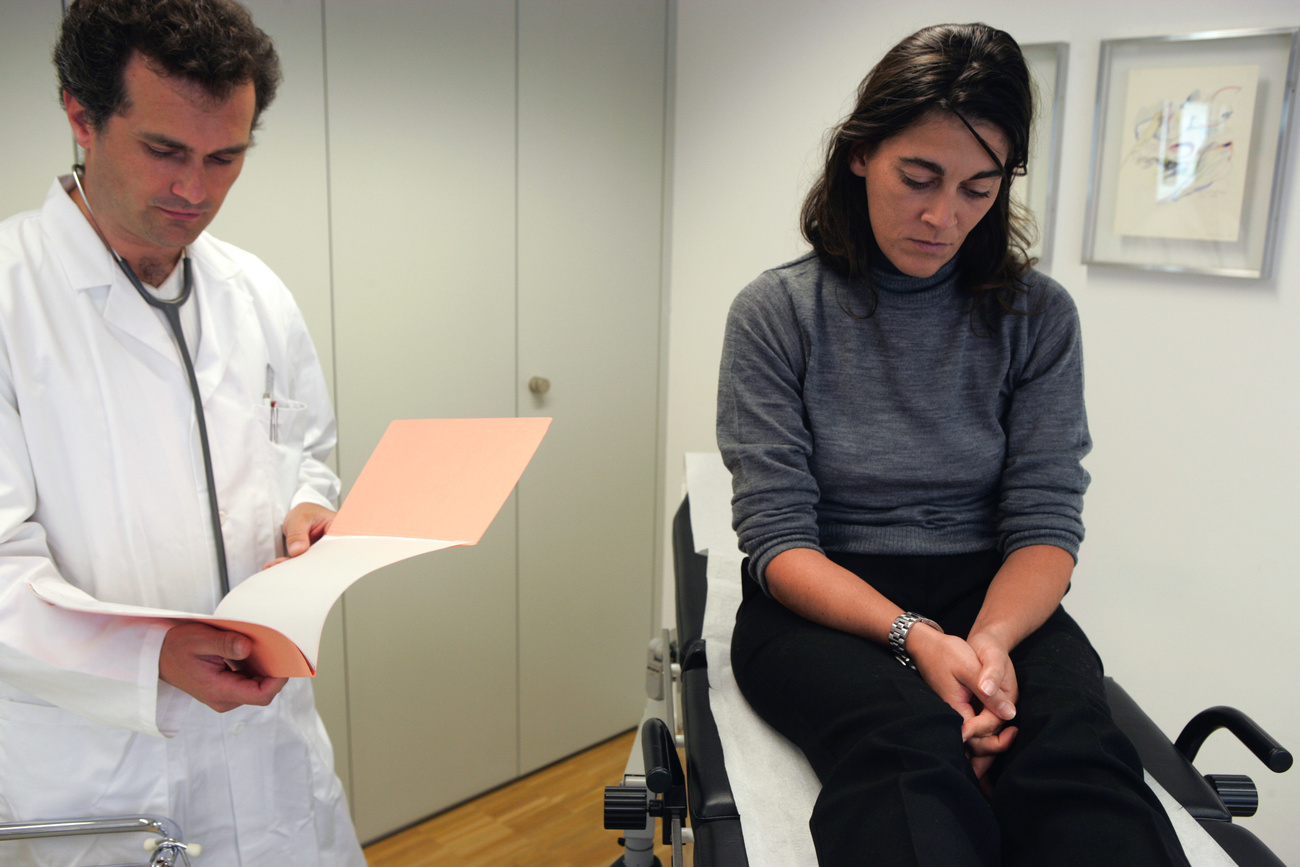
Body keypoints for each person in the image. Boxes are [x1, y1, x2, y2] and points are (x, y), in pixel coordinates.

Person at [717, 23, 1190, 867]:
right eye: (919, 177)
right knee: (906, 748)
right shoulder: (778, 313)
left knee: (1077, 753)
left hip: (988, 591)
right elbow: (778, 541)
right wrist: (916, 639)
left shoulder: (1036, 318)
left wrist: (993, 644)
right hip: (824, 598)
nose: (944, 217)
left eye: (978, 188)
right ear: (860, 154)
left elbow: (1045, 521)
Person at [0, 1, 364, 864]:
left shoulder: (256, 293)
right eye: (164, 151)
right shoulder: (12, 302)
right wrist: (153, 654)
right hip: (100, 777)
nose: (195, 191)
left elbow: (306, 451)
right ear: (80, 117)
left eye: (225, 157)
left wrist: (308, 510)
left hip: (276, 760)